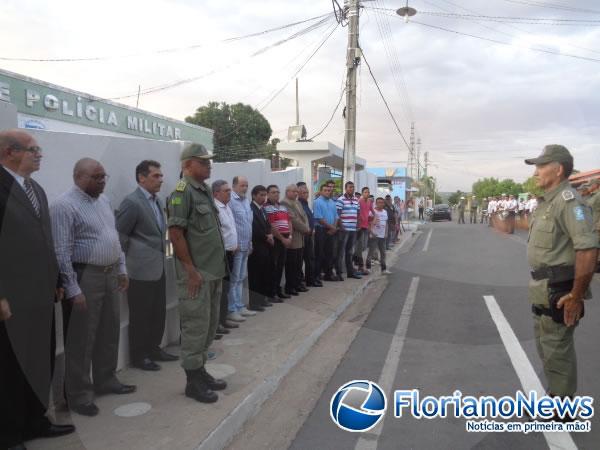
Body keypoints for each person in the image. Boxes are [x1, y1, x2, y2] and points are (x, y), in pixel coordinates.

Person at [0, 130, 75, 448]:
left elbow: (46, 242)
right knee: (10, 368)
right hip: (11, 299)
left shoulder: (36, 190)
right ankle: (9, 434)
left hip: (41, 295)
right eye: (33, 149)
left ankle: (35, 421)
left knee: (39, 360)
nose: (39, 154)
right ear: (9, 152)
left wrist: (57, 280)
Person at [51, 158, 135, 417]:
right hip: (84, 275)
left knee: (109, 329)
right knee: (81, 338)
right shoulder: (64, 206)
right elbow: (61, 251)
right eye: (96, 177)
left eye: (103, 177)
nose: (101, 181)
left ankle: (106, 379)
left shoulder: (104, 201)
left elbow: (113, 237)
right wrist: (73, 289)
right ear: (78, 176)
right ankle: (78, 395)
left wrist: (121, 267)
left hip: (110, 273)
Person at [525, 144, 598, 406]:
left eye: (541, 166)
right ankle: (555, 398)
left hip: (561, 289)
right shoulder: (548, 202)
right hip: (543, 287)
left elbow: (588, 249)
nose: (536, 172)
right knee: (547, 348)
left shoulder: (569, 202)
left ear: (558, 170)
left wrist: (576, 296)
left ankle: (562, 408)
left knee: (558, 349)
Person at [167, 143, 227, 404]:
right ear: (188, 164)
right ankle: (192, 382)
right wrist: (190, 270)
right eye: (203, 162)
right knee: (195, 327)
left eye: (208, 161)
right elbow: (176, 234)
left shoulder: (203, 191)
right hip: (196, 275)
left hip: (212, 272)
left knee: (209, 325)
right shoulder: (182, 193)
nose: (208, 165)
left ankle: (200, 372)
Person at [116, 160, 178, 372]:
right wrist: (122, 268)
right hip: (139, 270)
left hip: (158, 266)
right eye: (156, 176)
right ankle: (139, 355)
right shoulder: (131, 203)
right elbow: (120, 236)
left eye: (161, 176)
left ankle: (154, 348)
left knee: (157, 312)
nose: (161, 180)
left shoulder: (158, 201)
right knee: (141, 315)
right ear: (142, 178)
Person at [228, 176, 258, 316]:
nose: (245, 188)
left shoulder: (246, 201)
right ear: (234, 186)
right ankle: (232, 309)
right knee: (234, 279)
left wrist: (250, 243)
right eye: (242, 185)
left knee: (241, 277)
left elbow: (248, 224)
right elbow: (230, 224)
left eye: (246, 185)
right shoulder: (231, 201)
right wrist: (235, 244)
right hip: (237, 247)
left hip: (246, 245)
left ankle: (240, 306)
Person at [248, 185, 276, 307]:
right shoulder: (251, 208)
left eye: (265, 195)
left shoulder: (262, 209)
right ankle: (255, 302)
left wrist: (270, 233)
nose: (264, 197)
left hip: (265, 246)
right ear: (254, 195)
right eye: (261, 195)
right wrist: (266, 237)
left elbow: (267, 223)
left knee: (265, 273)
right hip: (257, 246)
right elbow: (254, 228)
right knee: (256, 275)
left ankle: (263, 299)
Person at [264, 185, 293, 300]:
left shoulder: (283, 207)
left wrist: (290, 236)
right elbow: (270, 226)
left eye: (277, 192)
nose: (276, 194)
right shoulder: (266, 208)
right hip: (276, 240)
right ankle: (272, 292)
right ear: (268, 194)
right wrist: (283, 239)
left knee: (281, 266)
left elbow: (289, 222)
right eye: (273, 192)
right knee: (273, 266)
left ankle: (278, 290)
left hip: (285, 238)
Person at [281, 184, 310, 295]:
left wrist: (306, 227)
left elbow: (304, 216)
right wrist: (306, 229)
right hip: (293, 238)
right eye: (293, 191)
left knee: (298, 264)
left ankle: (298, 284)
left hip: (301, 237)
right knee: (291, 265)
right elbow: (293, 220)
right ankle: (290, 286)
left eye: (296, 192)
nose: (295, 194)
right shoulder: (284, 203)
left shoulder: (298, 202)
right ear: (287, 191)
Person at [335, 181, 362, 280]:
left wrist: (358, 224)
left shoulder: (356, 200)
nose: (352, 189)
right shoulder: (340, 200)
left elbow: (358, 213)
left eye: (353, 187)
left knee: (350, 252)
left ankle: (350, 272)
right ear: (345, 188)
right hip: (343, 230)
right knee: (340, 252)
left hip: (353, 230)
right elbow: (337, 215)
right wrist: (341, 227)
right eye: (350, 187)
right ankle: (338, 273)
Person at [297, 182, 322, 287]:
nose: (306, 194)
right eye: (303, 192)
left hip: (310, 235)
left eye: (307, 192)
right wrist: (307, 230)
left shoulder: (306, 204)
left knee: (310, 258)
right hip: (303, 235)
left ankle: (310, 279)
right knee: (301, 260)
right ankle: (301, 280)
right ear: (298, 193)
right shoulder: (298, 204)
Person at [313, 183, 338, 282]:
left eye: (329, 190)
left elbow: (336, 216)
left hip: (331, 230)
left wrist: (334, 227)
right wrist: (332, 227)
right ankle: (317, 275)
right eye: (325, 190)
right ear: (320, 191)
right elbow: (319, 218)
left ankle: (328, 274)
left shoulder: (332, 202)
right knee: (319, 253)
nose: (328, 192)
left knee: (329, 253)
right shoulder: (317, 202)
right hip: (321, 230)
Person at [367, 197, 391, 275]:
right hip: (374, 235)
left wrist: (386, 233)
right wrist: (372, 233)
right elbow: (368, 223)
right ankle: (368, 268)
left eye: (382, 202)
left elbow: (386, 223)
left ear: (384, 204)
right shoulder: (372, 212)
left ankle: (383, 269)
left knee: (383, 253)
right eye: (379, 202)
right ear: (376, 203)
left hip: (382, 236)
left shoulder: (385, 212)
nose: (380, 204)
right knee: (371, 252)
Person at [354, 187, 374, 275]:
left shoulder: (369, 202)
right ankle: (360, 267)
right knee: (359, 247)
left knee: (364, 247)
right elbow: (356, 213)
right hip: (359, 227)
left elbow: (373, 212)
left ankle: (357, 263)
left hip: (366, 226)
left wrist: (373, 220)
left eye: (368, 192)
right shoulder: (359, 201)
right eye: (365, 192)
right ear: (362, 193)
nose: (367, 193)